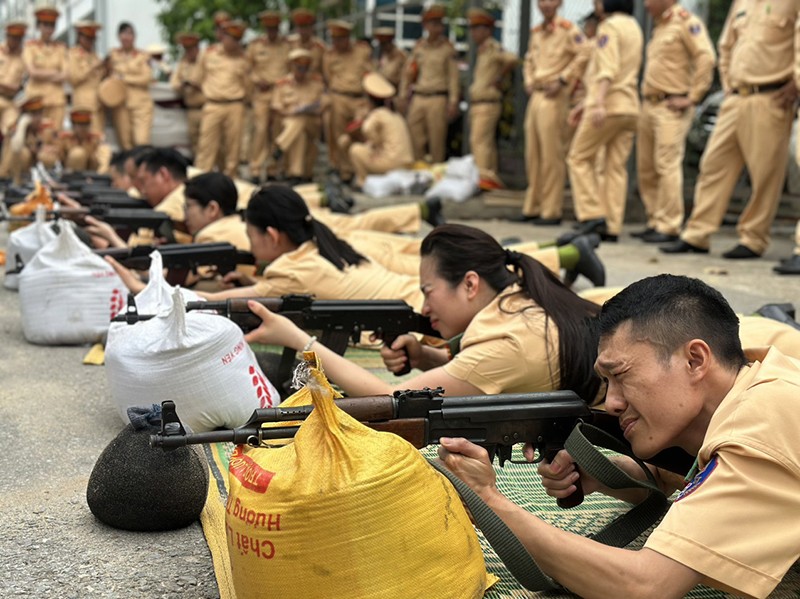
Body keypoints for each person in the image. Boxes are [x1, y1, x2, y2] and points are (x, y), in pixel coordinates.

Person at [438, 274, 800, 598]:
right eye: (606, 382)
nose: (610, 402)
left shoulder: (757, 427)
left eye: (621, 375)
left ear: (695, 360)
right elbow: (692, 478)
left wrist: (490, 500)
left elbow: (645, 586)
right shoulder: (761, 378)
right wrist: (609, 475)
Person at [243, 223, 602, 400]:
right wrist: (425, 357)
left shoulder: (507, 344)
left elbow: (388, 400)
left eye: (429, 292)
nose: (425, 308)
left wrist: (297, 338)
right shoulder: (519, 299)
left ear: (471, 284)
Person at [661, 1, 800, 259]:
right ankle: (697, 234)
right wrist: (727, 83)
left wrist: (795, 83)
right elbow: (726, 45)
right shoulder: (742, 2)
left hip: (771, 96)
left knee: (765, 173)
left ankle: (753, 238)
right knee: (713, 165)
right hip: (735, 97)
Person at [634, 0, 715, 244]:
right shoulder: (659, 26)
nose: (646, 4)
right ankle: (655, 220)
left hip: (671, 106)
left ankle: (669, 224)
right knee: (647, 166)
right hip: (650, 103)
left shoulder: (686, 22)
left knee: (666, 163)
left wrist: (692, 97)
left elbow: (706, 58)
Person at [567, 0, 643, 242]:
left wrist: (597, 102)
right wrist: (585, 104)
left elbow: (608, 69)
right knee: (615, 167)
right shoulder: (634, 26)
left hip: (608, 105)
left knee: (578, 157)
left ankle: (591, 215)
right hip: (629, 105)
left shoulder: (609, 26)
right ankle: (611, 225)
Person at [518, 0, 590, 224]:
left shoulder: (569, 30)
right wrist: (528, 80)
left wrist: (563, 80)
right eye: (541, 1)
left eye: (550, 0)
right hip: (537, 95)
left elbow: (585, 54)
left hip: (555, 96)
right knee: (533, 153)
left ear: (559, 3)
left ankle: (551, 210)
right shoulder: (537, 32)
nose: (545, 5)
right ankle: (533, 206)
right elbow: (529, 60)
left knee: (551, 154)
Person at [398, 5, 460, 164]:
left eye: (439, 23)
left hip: (437, 97)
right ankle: (419, 171)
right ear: (425, 25)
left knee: (436, 139)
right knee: (414, 134)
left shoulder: (447, 49)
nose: (437, 27)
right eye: (433, 23)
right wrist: (403, 95)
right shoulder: (419, 47)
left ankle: (435, 173)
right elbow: (408, 73)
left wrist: (453, 101)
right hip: (419, 97)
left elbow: (454, 78)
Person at [466, 8, 519, 186]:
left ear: (487, 30)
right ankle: (489, 179)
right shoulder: (481, 50)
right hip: (478, 103)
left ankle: (485, 179)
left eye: (476, 28)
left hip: (488, 103)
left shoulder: (492, 47)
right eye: (472, 28)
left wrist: (500, 76)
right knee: (483, 143)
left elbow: (511, 59)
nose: (473, 32)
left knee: (479, 142)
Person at [194, 19, 249, 178]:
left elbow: (249, 86)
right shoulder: (209, 53)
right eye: (231, 38)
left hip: (235, 105)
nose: (234, 42)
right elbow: (197, 78)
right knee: (206, 146)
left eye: (237, 39)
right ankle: (200, 178)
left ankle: (231, 179)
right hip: (213, 104)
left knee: (233, 148)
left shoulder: (243, 59)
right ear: (223, 37)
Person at [321, 20, 373, 183]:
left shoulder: (362, 51)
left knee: (360, 133)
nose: (337, 43)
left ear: (348, 38)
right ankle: (344, 171)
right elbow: (328, 77)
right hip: (339, 97)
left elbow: (371, 74)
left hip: (359, 99)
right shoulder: (329, 56)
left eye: (341, 39)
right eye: (334, 39)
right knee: (339, 135)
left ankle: (360, 169)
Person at [345, 72, 414, 189]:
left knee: (355, 150)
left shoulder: (377, 114)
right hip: (406, 162)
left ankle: (362, 182)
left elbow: (366, 129)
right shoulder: (395, 114)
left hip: (390, 163)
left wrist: (374, 143)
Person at [271, 49, 328, 184]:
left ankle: (280, 146)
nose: (302, 71)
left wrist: (308, 109)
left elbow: (325, 103)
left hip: (312, 122)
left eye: (305, 68)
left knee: (300, 119)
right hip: (290, 122)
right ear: (292, 66)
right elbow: (276, 105)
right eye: (299, 68)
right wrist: (291, 112)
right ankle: (296, 174)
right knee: (299, 132)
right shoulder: (282, 83)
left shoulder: (316, 82)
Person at [247, 11, 291, 183]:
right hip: (262, 93)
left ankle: (273, 169)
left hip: (280, 93)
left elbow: (291, 69)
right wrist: (257, 80)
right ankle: (255, 169)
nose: (272, 31)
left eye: (275, 28)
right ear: (265, 28)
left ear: (279, 28)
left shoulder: (287, 46)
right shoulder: (256, 45)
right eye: (269, 28)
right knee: (260, 130)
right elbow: (247, 69)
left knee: (277, 131)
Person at [106, 22, 154, 150]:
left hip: (140, 104)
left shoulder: (143, 55)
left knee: (141, 142)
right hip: (120, 104)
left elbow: (146, 78)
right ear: (118, 36)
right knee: (125, 144)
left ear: (134, 37)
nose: (126, 37)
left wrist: (125, 78)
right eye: (123, 34)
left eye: (129, 34)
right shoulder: (113, 55)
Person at [22, 6, 67, 132]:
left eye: (52, 25)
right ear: (38, 26)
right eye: (45, 25)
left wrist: (42, 74)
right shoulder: (30, 47)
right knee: (36, 137)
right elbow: (32, 72)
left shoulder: (61, 48)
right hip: (37, 99)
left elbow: (65, 74)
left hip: (57, 100)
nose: (49, 29)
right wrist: (54, 72)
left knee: (55, 136)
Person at [0, 96, 59, 184]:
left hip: (34, 176)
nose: (38, 118)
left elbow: (55, 153)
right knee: (24, 153)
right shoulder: (16, 128)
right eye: (34, 114)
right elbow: (17, 147)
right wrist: (23, 124)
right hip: (8, 177)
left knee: (46, 156)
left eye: (40, 113)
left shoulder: (43, 129)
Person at [170, 32, 205, 158]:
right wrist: (182, 85)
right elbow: (174, 83)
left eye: (191, 49)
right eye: (186, 49)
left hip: (206, 107)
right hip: (191, 109)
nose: (189, 52)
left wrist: (197, 85)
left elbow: (215, 83)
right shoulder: (183, 64)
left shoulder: (205, 61)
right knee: (194, 143)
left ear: (197, 48)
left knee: (208, 143)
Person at [68, 21, 106, 135]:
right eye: (87, 38)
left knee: (99, 138)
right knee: (88, 140)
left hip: (98, 103)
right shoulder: (73, 54)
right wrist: (92, 67)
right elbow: (74, 78)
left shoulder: (95, 56)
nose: (90, 42)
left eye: (92, 39)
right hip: (83, 103)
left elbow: (100, 78)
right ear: (80, 37)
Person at [57, 108, 112, 173]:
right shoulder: (65, 139)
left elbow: (101, 157)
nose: (83, 128)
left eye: (86, 125)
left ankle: (99, 176)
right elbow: (59, 156)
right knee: (78, 153)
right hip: (70, 170)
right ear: (74, 126)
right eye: (80, 125)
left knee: (105, 149)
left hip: (91, 170)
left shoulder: (95, 139)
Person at [0, 21, 28, 144]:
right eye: (13, 37)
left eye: (19, 39)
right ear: (7, 36)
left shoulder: (24, 58)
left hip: (10, 102)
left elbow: (18, 87)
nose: (16, 41)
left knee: (13, 131)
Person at [287, 9, 327, 76]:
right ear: (297, 28)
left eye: (306, 27)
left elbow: (325, 70)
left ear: (311, 27)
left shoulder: (320, 47)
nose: (303, 31)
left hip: (314, 83)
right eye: (300, 27)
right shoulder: (289, 43)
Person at [372, 27, 407, 92]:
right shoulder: (376, 53)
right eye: (381, 42)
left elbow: (405, 77)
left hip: (394, 90)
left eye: (385, 42)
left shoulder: (400, 55)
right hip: (377, 89)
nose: (383, 45)